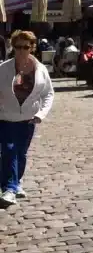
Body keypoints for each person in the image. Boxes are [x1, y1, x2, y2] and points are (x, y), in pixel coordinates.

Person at [0, 30, 55, 206]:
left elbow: (48, 94)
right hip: (6, 117)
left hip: (29, 118)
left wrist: (41, 114)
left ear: (32, 47)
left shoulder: (40, 69)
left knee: (21, 153)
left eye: (25, 47)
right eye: (18, 47)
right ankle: (9, 189)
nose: (21, 50)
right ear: (13, 47)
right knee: (9, 151)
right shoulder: (3, 68)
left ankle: (17, 183)